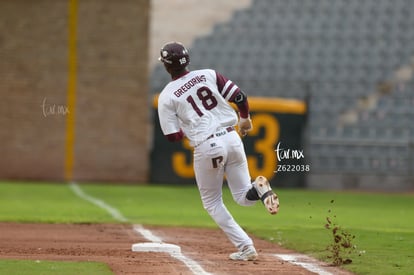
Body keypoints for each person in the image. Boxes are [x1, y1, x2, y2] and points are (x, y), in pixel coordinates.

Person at [157, 41, 279, 261]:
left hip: (207, 144)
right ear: (187, 60)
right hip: (232, 137)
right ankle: (259, 188)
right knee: (244, 197)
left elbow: (172, 136)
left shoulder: (167, 95)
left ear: (166, 66)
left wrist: (189, 125)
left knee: (212, 203)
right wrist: (244, 118)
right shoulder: (208, 74)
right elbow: (240, 96)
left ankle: (246, 247)